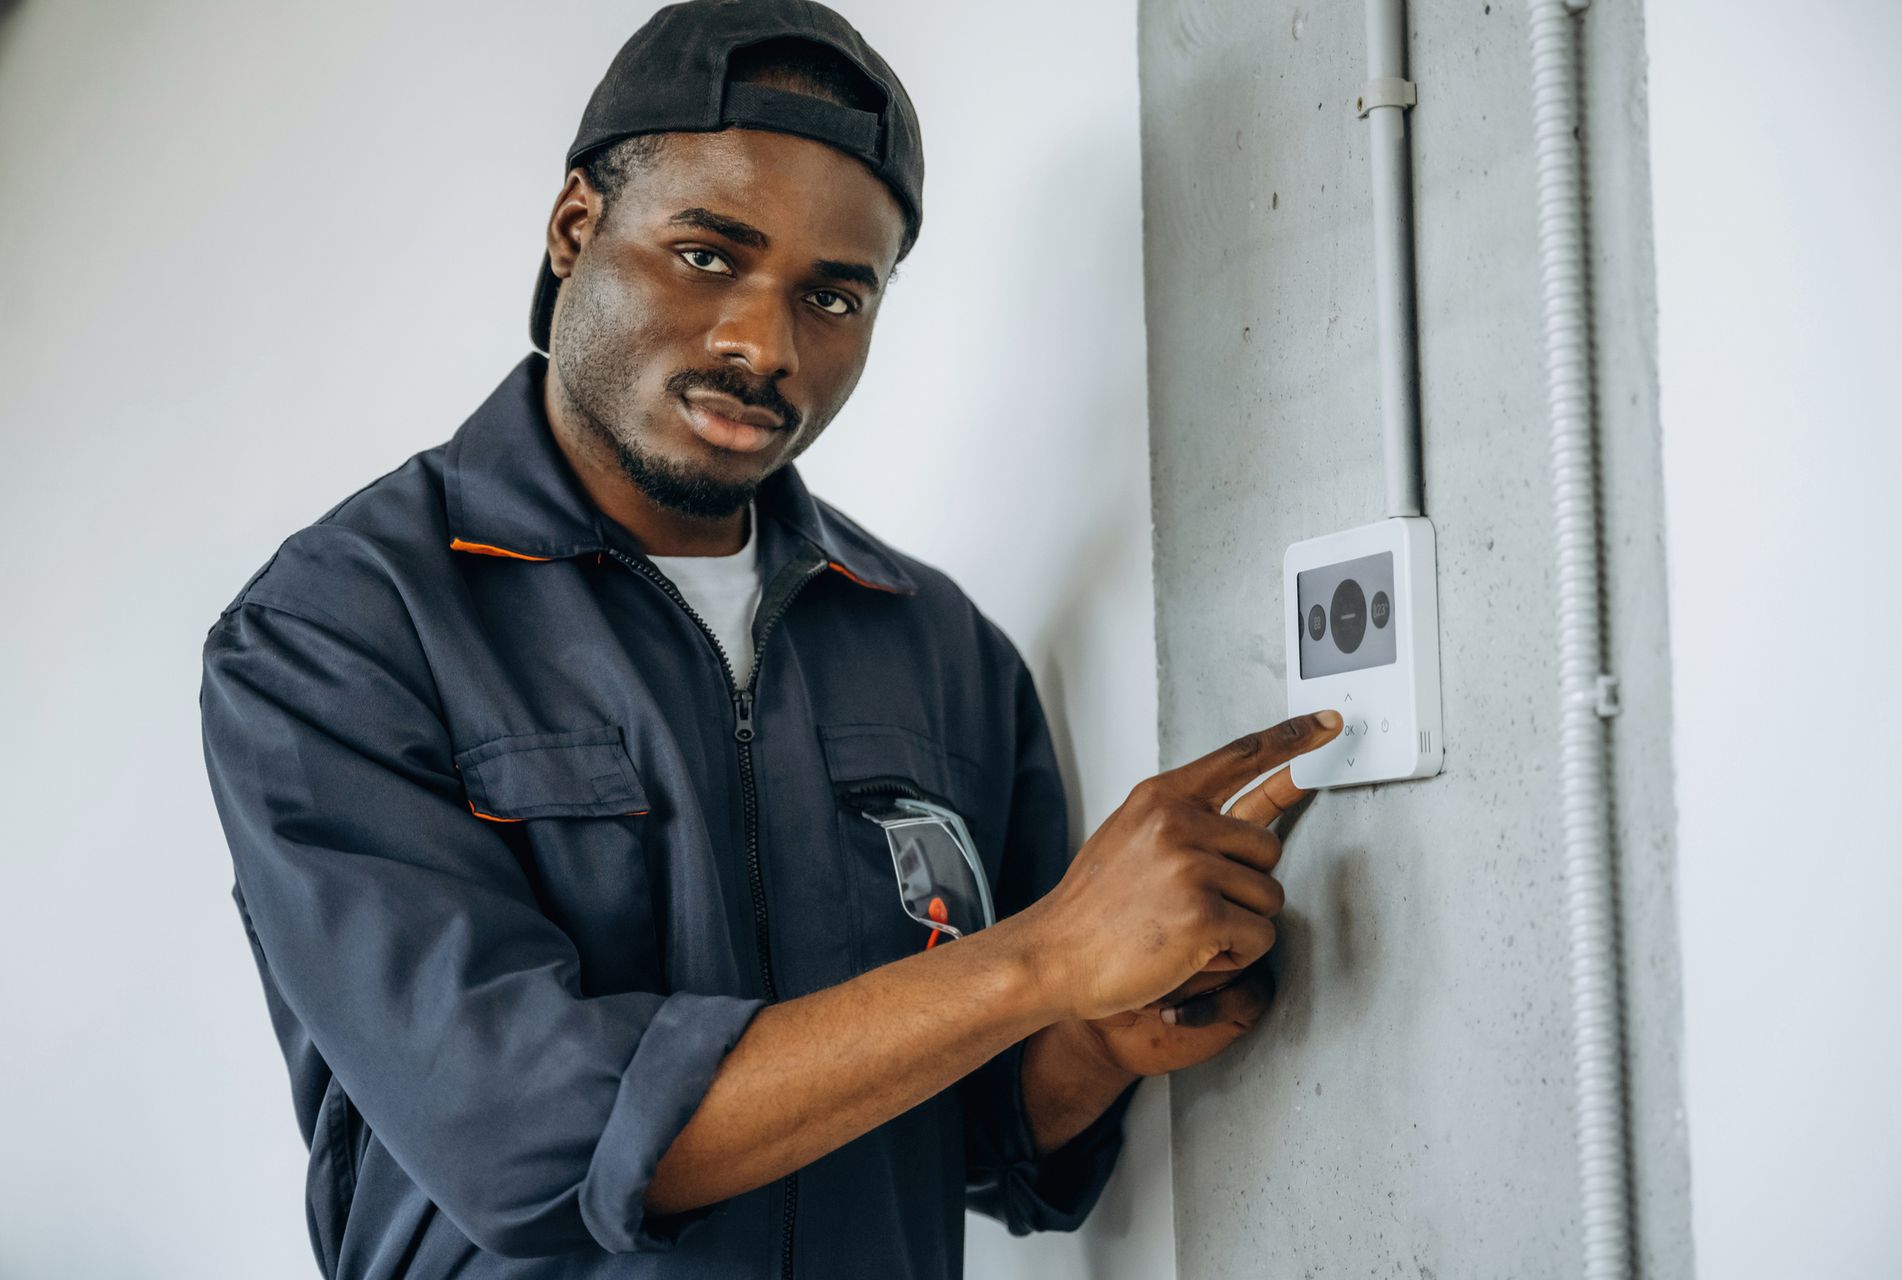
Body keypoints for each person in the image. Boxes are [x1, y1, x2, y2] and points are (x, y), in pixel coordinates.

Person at [198, 2, 1342, 1276]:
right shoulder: (338, 632)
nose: (764, 345)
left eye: (834, 294)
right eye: (707, 255)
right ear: (577, 227)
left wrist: (1099, 1030)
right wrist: (1041, 960)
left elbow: (971, 1131)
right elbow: (531, 1142)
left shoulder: (941, 649)